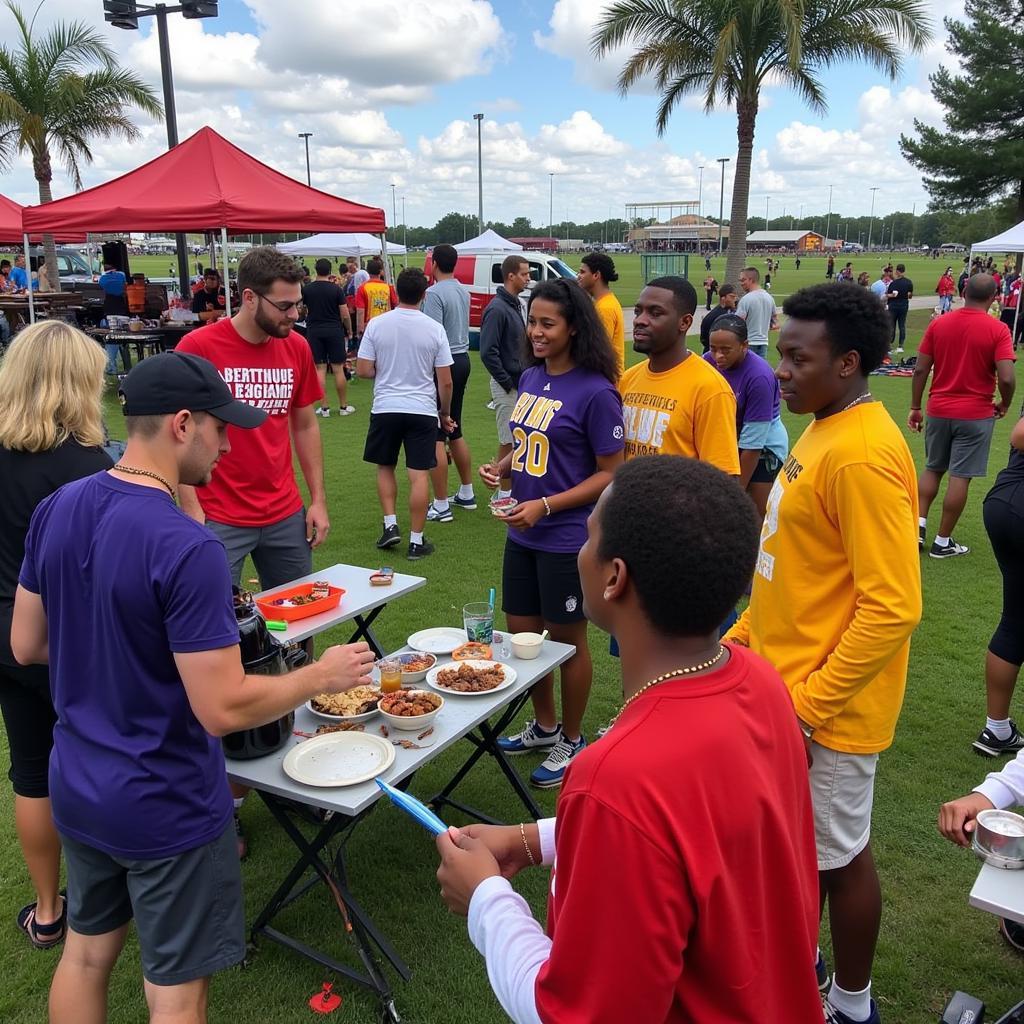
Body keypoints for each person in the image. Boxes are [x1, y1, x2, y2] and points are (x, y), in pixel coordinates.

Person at [11, 351, 375, 1024]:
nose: (229, 444)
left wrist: (114, 648)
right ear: (183, 424)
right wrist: (319, 675)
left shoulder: (59, 507)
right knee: (177, 991)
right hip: (165, 797)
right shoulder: (188, 546)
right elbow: (221, 705)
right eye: (221, 428)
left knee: (88, 955)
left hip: (79, 782)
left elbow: (26, 643)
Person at [435, 456, 823, 1022]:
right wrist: (534, 839)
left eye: (589, 535)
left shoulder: (615, 779)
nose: (579, 551)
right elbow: (693, 829)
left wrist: (486, 900)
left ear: (614, 577)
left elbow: (574, 1014)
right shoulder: (759, 681)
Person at [725, 283, 922, 1024]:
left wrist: (807, 710)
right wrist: (741, 639)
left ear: (846, 363)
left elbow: (894, 606)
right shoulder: (821, 426)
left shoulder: (865, 455)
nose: (780, 370)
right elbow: (793, 569)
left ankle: (851, 1004)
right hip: (783, 691)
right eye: (779, 353)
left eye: (796, 358)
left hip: (827, 713)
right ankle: (800, 970)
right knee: (793, 858)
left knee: (838, 859)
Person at [483, 279, 624, 788]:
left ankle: (572, 735)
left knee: (566, 641)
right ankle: (543, 727)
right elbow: (532, 445)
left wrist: (545, 504)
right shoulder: (532, 377)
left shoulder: (596, 390)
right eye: (533, 321)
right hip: (522, 532)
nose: (537, 332)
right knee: (523, 638)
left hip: (566, 538)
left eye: (548, 323)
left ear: (573, 327)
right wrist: (503, 464)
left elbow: (610, 472)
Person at [0, 323, 113, 951]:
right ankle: (106, 895)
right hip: (68, 637)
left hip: (6, 636)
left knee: (32, 771)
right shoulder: (87, 468)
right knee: (96, 759)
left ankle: (48, 910)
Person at [909, 274, 1015, 558]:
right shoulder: (998, 329)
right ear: (994, 298)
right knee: (961, 475)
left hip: (939, 409)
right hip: (975, 413)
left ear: (963, 291)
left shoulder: (939, 323)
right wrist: (1005, 403)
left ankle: (917, 530)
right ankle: (943, 541)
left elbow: (920, 370)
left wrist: (915, 406)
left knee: (933, 467)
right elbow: (1006, 376)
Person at [357, 268, 455, 560]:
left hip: (386, 406)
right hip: (422, 409)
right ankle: (416, 540)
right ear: (424, 295)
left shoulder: (377, 325)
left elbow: (363, 370)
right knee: (418, 474)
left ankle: (390, 525)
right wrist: (444, 412)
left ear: (395, 292)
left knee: (385, 466)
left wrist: (385, 371)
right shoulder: (434, 328)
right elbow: (445, 380)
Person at [621, 277, 739, 474]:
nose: (640, 320)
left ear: (684, 322)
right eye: (637, 311)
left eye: (655, 313)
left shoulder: (710, 389)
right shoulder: (628, 379)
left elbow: (723, 480)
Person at [705, 314, 788, 520]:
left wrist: (735, 494)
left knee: (753, 516)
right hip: (729, 443)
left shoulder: (759, 376)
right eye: (713, 348)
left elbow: (754, 443)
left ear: (744, 345)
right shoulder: (706, 362)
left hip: (762, 451)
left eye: (726, 350)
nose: (718, 356)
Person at [423, 244, 475, 523]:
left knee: (437, 431)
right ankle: (466, 492)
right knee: (455, 426)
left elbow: (432, 336)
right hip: (463, 358)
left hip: (444, 362)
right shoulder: (462, 290)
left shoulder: (433, 293)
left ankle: (441, 503)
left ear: (434, 265)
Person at [480, 254, 530, 499]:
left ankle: (508, 489)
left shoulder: (516, 304)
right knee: (508, 439)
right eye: (524, 274)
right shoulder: (497, 308)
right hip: (508, 384)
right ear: (511, 276)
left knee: (518, 437)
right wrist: (507, 382)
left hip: (519, 381)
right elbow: (487, 352)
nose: (528, 278)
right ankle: (503, 492)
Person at [302, 257, 355, 417]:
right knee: (338, 368)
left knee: (320, 369)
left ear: (315, 270)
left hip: (314, 330)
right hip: (334, 330)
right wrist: (349, 330)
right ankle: (343, 406)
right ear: (330, 271)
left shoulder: (307, 289)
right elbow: (345, 313)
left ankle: (324, 407)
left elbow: (302, 309)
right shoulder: (336, 289)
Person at [577, 251, 624, 374]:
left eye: (582, 272)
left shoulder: (605, 308)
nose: (578, 276)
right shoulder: (603, 303)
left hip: (606, 379)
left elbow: (599, 352)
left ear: (596, 275)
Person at [736, 266, 777, 360]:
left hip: (749, 343)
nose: (741, 283)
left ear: (751, 280)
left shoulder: (746, 299)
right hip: (764, 343)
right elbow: (775, 322)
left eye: (743, 280)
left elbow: (738, 323)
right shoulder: (769, 298)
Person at [354, 257, 397, 337]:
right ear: (381, 271)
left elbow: (360, 311)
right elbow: (395, 305)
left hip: (369, 327)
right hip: (386, 326)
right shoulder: (388, 287)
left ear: (367, 271)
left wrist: (360, 330)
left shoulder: (362, 288)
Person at [699, 281, 738, 353]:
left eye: (735, 297)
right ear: (723, 298)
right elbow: (704, 336)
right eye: (732, 296)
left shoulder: (733, 311)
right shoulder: (715, 315)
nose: (735, 299)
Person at [886, 264, 914, 354]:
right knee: (902, 325)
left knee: (892, 324)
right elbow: (910, 296)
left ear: (897, 271)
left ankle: (889, 344)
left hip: (893, 305)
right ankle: (900, 345)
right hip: (903, 305)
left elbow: (888, 295)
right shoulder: (909, 282)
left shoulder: (893, 283)